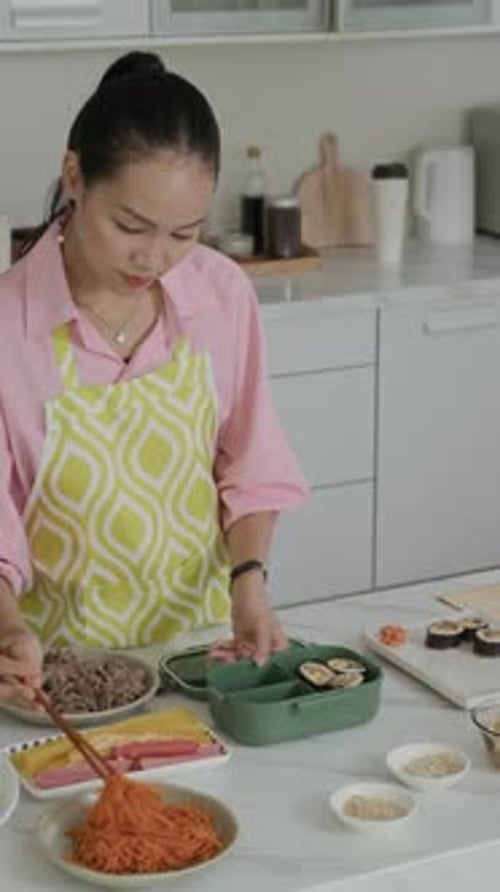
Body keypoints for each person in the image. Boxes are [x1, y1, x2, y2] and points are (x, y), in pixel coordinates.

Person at [0, 52, 307, 706]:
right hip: (63, 680)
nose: (153, 258)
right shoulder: (9, 327)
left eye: (183, 234)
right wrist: (7, 631)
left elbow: (251, 464)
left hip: (204, 657)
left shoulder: (220, 293)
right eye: (129, 226)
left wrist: (249, 581)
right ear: (75, 176)